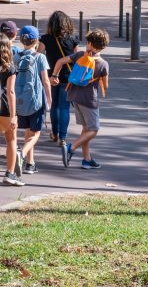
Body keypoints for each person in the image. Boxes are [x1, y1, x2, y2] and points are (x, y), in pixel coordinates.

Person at [53, 29, 109, 170]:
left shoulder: (79, 55)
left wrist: (55, 75)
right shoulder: (103, 64)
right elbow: (106, 85)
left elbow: (60, 61)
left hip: (74, 97)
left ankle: (87, 159)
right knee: (94, 129)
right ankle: (71, 148)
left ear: (90, 44)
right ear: (104, 46)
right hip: (90, 100)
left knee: (86, 129)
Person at [14, 25, 52, 175]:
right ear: (36, 41)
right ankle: (22, 154)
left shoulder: (17, 57)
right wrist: (49, 100)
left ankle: (30, 163)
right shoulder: (40, 57)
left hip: (20, 100)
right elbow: (45, 81)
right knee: (36, 133)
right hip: (36, 100)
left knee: (28, 131)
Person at [37, 11, 79, 145]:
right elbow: (77, 58)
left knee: (54, 105)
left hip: (51, 77)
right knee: (65, 108)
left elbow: (39, 55)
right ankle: (63, 137)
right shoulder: (73, 39)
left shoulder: (46, 39)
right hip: (68, 77)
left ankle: (55, 134)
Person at [0, 34, 23, 186]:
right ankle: (9, 173)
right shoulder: (10, 68)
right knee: (11, 140)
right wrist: (14, 115)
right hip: (5, 107)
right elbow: (11, 92)